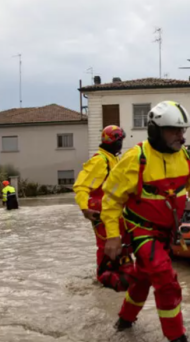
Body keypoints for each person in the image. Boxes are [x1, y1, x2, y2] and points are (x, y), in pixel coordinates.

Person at [101, 101, 190, 342]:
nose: (180, 136)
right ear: (155, 130)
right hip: (141, 232)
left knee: (142, 280)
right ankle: (176, 337)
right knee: (166, 279)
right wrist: (112, 235)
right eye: (173, 130)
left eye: (182, 130)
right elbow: (111, 200)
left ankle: (124, 323)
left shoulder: (188, 158)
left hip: (166, 234)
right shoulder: (135, 158)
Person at [73, 125, 131, 292]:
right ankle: (104, 279)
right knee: (106, 245)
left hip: (114, 210)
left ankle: (116, 276)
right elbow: (81, 186)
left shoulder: (112, 159)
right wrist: (85, 209)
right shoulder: (100, 160)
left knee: (118, 244)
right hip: (102, 211)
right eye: (121, 141)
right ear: (117, 141)